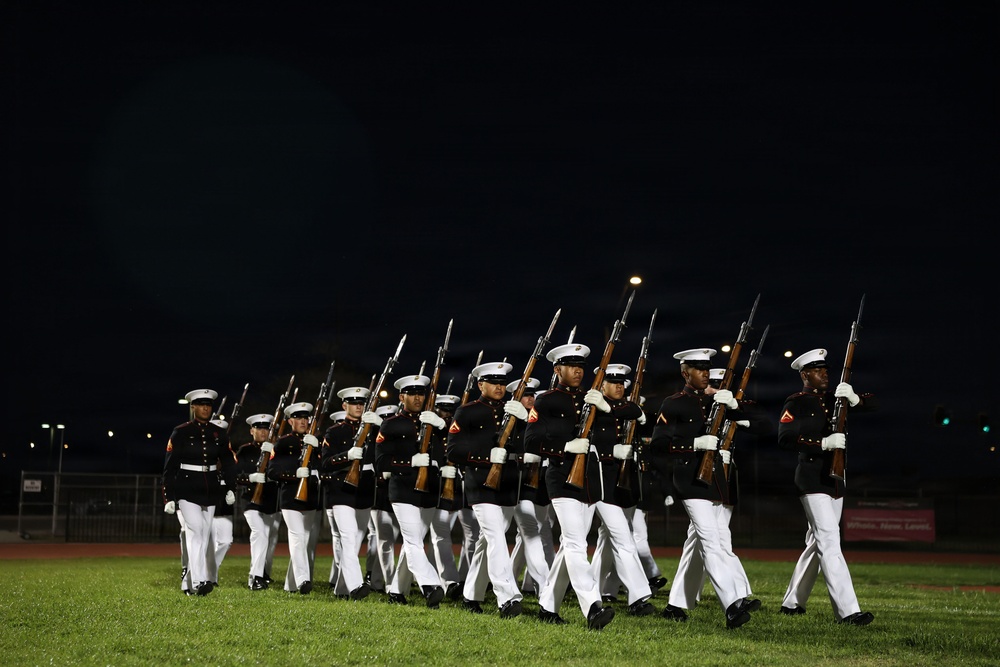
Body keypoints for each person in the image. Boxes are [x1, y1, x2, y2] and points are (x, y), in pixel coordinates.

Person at [648, 349, 762, 629]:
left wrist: (734, 407)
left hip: (716, 480)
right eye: (698, 369)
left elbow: (763, 425)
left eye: (707, 369)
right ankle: (733, 605)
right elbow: (658, 445)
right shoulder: (673, 403)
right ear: (685, 373)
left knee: (699, 541)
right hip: (688, 479)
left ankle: (675, 605)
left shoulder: (717, 402)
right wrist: (695, 445)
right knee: (711, 541)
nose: (705, 373)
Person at [778, 348, 877, 625]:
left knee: (817, 542)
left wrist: (855, 398)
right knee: (830, 541)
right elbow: (784, 438)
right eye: (818, 370)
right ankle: (847, 612)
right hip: (811, 477)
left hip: (835, 478)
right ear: (804, 374)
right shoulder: (796, 402)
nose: (825, 374)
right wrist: (822, 443)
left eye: (826, 370)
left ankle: (792, 602)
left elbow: (874, 405)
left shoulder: (837, 399)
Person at [524, 343, 616, 630]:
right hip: (562, 477)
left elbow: (611, 436)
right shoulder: (547, 401)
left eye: (581, 366)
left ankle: (547, 606)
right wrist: (564, 447)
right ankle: (592, 606)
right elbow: (531, 442)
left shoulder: (592, 399)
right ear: (557, 369)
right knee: (576, 543)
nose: (578, 370)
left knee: (570, 545)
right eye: (571, 365)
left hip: (589, 480)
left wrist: (606, 409)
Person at [446, 361, 525, 618]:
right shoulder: (467, 412)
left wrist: (525, 421)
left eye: (503, 383)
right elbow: (453, 450)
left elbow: (527, 445)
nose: (500, 387)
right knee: (496, 538)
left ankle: (471, 594)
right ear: (481, 384)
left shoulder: (513, 410)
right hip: (480, 482)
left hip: (508, 482)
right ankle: (507, 597)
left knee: (487, 540)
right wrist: (486, 456)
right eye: (494, 383)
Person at [584, 363, 656, 616]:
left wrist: (610, 408)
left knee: (623, 539)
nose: (618, 386)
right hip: (585, 483)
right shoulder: (588, 403)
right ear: (601, 384)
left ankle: (638, 597)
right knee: (572, 546)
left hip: (610, 488)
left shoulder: (621, 408)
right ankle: (553, 595)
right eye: (612, 382)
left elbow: (637, 411)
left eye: (621, 382)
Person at [375, 374, 447, 608]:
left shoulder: (434, 423)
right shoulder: (392, 424)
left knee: (412, 544)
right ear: (402, 396)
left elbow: (451, 450)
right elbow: (381, 462)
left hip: (429, 489)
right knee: (414, 542)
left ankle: (396, 591)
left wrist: (442, 427)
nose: (418, 398)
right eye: (412, 393)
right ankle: (430, 585)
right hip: (403, 489)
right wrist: (410, 462)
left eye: (421, 393)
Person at [162, 388, 235, 596]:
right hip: (186, 488)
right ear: (193, 407)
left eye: (208, 404)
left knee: (203, 535)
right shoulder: (181, 431)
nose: (205, 408)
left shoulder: (219, 433)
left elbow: (228, 463)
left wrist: (230, 487)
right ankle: (201, 581)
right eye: (201, 404)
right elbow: (170, 466)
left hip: (210, 488)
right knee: (196, 532)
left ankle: (188, 584)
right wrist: (168, 496)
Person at [320, 386, 376, 600]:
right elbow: (325, 462)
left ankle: (341, 588)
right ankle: (355, 586)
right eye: (354, 403)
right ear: (345, 406)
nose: (358, 406)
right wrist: (346, 456)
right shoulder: (334, 431)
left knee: (355, 541)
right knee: (349, 536)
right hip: (341, 490)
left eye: (361, 403)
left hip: (364, 490)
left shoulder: (374, 429)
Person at [267, 401, 323, 594]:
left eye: (306, 417)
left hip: (310, 497)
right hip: (290, 497)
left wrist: (318, 450)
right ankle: (302, 580)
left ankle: (290, 584)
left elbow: (323, 467)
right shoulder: (283, 443)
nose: (303, 421)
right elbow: (272, 472)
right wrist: (294, 475)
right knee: (298, 538)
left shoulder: (316, 442)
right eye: (298, 418)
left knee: (305, 541)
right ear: (290, 420)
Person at [507, 378, 555, 597]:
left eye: (532, 395)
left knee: (532, 532)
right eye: (525, 395)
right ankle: (540, 584)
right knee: (530, 531)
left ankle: (519, 580)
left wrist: (528, 419)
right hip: (515, 478)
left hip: (539, 477)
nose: (530, 399)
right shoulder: (507, 418)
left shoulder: (538, 418)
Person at [234, 412, 281, 591]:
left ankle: (264, 573)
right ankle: (255, 577)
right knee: (259, 533)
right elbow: (236, 475)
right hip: (251, 498)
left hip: (271, 498)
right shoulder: (245, 450)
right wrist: (251, 478)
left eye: (266, 428)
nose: (263, 432)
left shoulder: (277, 449)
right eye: (259, 428)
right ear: (251, 431)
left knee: (270, 539)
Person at [427, 393, 466, 600]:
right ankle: (449, 581)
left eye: (450, 412)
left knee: (467, 536)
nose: (447, 415)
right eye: (443, 411)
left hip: (458, 487)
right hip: (437, 487)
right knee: (440, 536)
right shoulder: (430, 430)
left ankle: (443, 578)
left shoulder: (458, 429)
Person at [366, 403, 400, 593]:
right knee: (384, 541)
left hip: (397, 492)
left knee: (387, 541)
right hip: (379, 495)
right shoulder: (372, 440)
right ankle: (388, 582)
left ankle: (378, 580)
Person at [207, 417, 236, 588]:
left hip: (224, 506)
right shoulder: (204, 451)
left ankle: (210, 569)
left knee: (226, 541)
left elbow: (232, 472)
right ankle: (211, 577)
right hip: (208, 503)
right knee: (208, 544)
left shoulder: (228, 453)